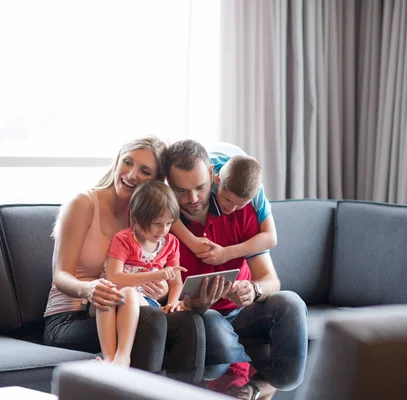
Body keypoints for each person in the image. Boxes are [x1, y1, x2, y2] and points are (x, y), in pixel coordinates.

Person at [43, 136, 204, 382]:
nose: (131, 174)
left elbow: (152, 268)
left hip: (124, 305)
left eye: (144, 171)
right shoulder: (84, 203)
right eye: (128, 162)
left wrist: (160, 289)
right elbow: (61, 276)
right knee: (150, 321)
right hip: (70, 317)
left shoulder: (143, 217)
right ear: (117, 160)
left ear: (157, 181)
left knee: (189, 323)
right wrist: (89, 289)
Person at [164, 139, 308, 391]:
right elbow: (160, 298)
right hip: (201, 318)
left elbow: (270, 279)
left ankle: (262, 381)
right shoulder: (160, 223)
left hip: (242, 313)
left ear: (213, 175)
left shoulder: (241, 208)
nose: (193, 198)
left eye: (200, 187)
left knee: (290, 303)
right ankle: (250, 379)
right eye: (181, 191)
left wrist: (254, 290)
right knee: (209, 324)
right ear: (167, 184)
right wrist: (192, 305)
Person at [95, 180, 186, 366]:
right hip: (111, 298)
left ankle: (120, 358)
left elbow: (176, 283)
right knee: (113, 293)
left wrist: (172, 302)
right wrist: (157, 275)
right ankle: (113, 358)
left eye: (169, 223)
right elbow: (114, 277)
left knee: (130, 294)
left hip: (144, 303)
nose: (164, 230)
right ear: (136, 217)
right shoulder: (124, 240)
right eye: (157, 224)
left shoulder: (171, 243)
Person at [172, 142, 277, 266]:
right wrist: (192, 242)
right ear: (216, 180)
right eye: (227, 199)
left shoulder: (257, 192)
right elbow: (164, 206)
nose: (231, 209)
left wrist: (226, 253)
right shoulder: (203, 176)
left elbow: (271, 238)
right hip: (214, 157)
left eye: (240, 204)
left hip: (241, 163)